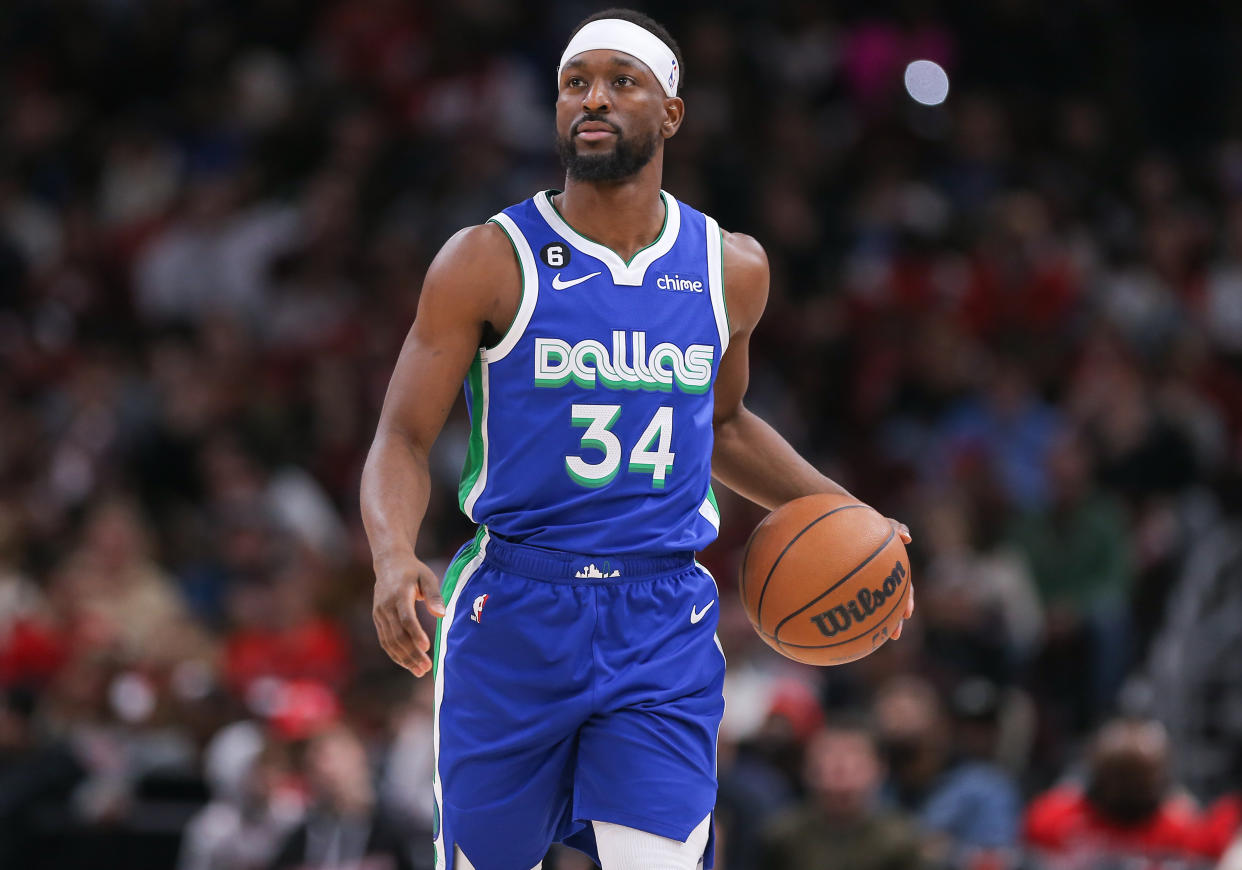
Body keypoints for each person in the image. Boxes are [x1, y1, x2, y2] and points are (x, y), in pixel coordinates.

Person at [359, 9, 914, 870]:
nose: (593, 98)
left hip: (659, 615)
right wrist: (393, 554)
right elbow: (401, 433)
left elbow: (724, 424)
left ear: (671, 112)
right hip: (515, 603)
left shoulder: (731, 267)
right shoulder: (485, 259)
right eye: (576, 82)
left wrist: (852, 518)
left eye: (623, 81)